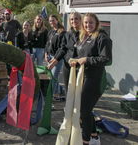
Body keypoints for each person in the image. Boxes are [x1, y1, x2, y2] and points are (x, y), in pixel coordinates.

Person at [66, 13, 112, 145]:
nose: (87, 25)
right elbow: (79, 54)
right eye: (85, 23)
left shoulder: (102, 37)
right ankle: (94, 136)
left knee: (83, 110)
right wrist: (73, 59)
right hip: (83, 77)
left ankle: (85, 140)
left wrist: (87, 60)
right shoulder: (83, 37)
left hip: (95, 79)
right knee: (85, 109)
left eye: (91, 22)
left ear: (96, 23)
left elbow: (107, 60)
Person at [45, 14, 66, 100]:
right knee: (51, 76)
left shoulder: (62, 32)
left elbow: (62, 47)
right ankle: (60, 91)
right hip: (49, 56)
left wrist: (55, 59)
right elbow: (47, 44)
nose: (52, 22)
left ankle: (50, 97)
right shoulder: (50, 32)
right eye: (50, 21)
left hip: (57, 59)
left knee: (53, 78)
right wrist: (46, 54)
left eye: (53, 20)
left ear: (57, 20)